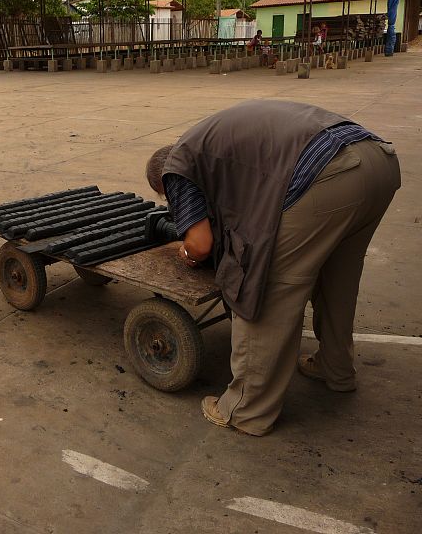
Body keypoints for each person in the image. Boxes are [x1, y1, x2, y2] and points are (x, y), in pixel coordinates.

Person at [146, 100, 400, 436]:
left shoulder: (177, 167)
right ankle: (335, 368)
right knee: (336, 277)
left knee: (267, 287)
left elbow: (201, 244)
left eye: (169, 199)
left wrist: (187, 250)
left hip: (327, 175)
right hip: (377, 161)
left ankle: (246, 410)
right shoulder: (209, 141)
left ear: (164, 184)